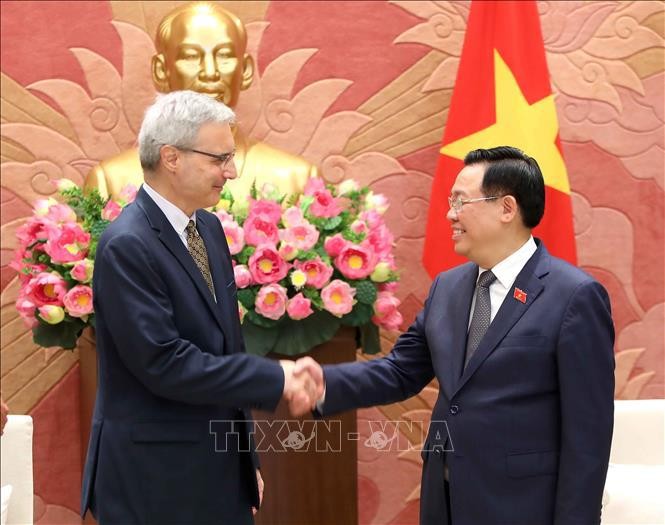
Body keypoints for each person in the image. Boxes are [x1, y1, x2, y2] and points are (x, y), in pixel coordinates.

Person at [299, 146, 615, 525]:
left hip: (522, 505)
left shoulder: (573, 296)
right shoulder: (448, 288)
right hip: (445, 498)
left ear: (506, 208)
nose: (449, 214)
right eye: (450, 202)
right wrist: (323, 383)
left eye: (461, 202)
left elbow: (588, 435)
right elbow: (401, 371)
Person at [80, 90, 322, 525]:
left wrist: (246, 461)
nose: (230, 171)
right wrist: (275, 376)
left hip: (216, 468)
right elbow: (164, 362)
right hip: (154, 479)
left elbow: (226, 346)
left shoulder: (207, 227)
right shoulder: (128, 244)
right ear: (171, 157)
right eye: (219, 158)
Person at [84, 1, 317, 201]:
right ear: (161, 71)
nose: (209, 72)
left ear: (245, 71)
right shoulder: (112, 182)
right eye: (191, 56)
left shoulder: (296, 180)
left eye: (224, 55)